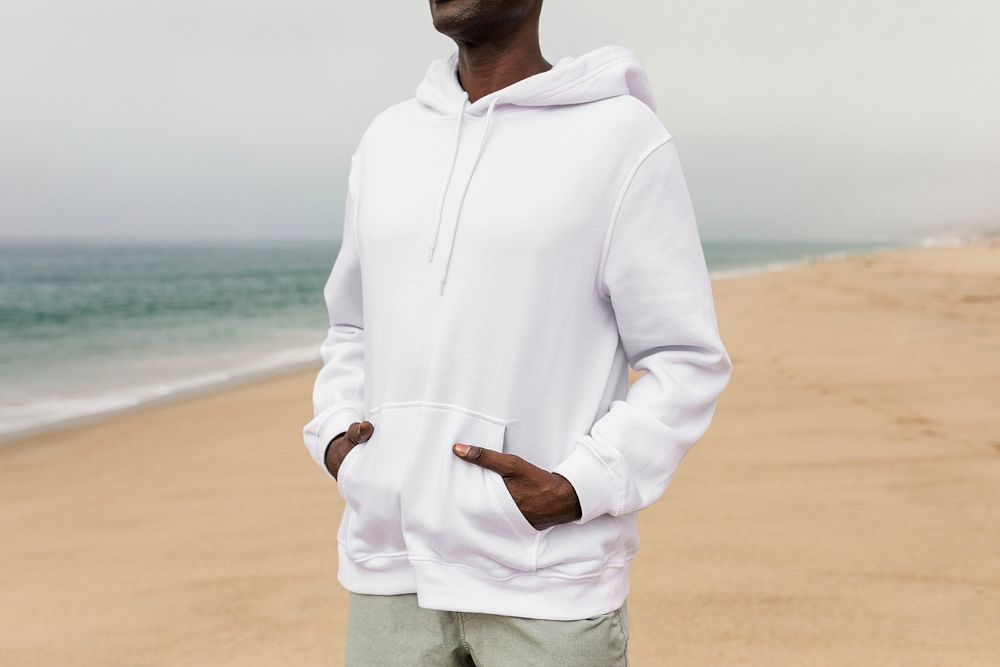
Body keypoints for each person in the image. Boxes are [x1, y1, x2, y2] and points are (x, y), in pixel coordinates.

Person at [302, 1, 733, 664]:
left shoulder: (621, 138)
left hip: (547, 580)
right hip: (390, 570)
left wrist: (582, 483)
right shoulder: (387, 140)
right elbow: (352, 322)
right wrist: (339, 438)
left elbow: (685, 359)